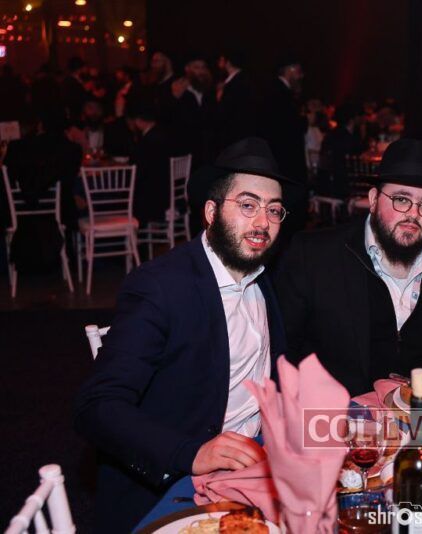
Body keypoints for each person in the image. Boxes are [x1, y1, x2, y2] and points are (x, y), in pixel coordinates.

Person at [73, 137, 297, 532]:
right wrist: (190, 453)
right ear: (211, 211)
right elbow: (97, 407)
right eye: (248, 205)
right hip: (177, 485)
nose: (263, 222)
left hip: (258, 463)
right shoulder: (160, 287)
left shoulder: (263, 278)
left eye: (274, 210)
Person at [276, 139, 422, 395]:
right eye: (401, 199)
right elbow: (282, 352)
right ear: (374, 199)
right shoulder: (314, 257)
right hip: (337, 415)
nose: (413, 214)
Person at [262, 56, 308, 242]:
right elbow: (287, 129)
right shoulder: (281, 94)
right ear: (289, 70)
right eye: (298, 71)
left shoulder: (278, 92)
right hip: (286, 161)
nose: (301, 76)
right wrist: (305, 121)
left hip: (282, 160)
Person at [126, 99, 174, 228]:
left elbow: (138, 170)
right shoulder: (164, 134)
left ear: (138, 121)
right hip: (168, 192)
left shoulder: (147, 141)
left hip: (154, 198)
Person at [215, 49, 259, 149]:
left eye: (221, 61)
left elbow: (224, 113)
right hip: (243, 137)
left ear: (228, 63)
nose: (218, 64)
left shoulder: (234, 84)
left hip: (234, 138)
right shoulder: (245, 79)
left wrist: (219, 97)